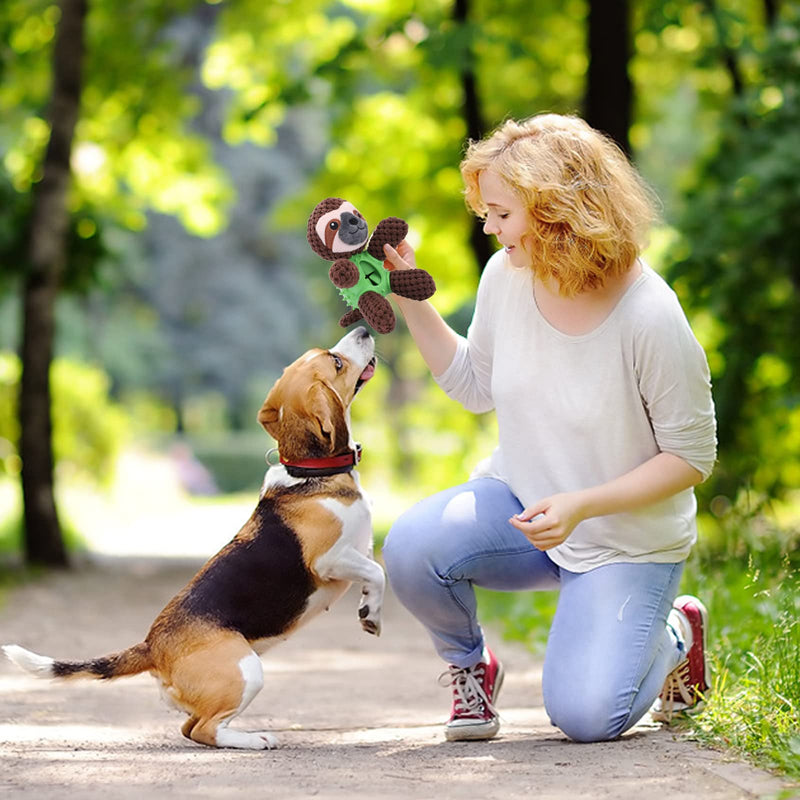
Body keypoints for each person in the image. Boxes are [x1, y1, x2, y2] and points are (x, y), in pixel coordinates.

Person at [380, 113, 717, 743]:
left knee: (588, 719)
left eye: (500, 212)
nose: (487, 226)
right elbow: (474, 385)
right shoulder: (506, 277)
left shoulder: (650, 314)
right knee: (411, 548)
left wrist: (584, 505)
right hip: (523, 505)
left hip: (623, 538)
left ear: (556, 209)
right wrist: (409, 296)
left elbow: (692, 457)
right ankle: (470, 669)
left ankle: (675, 633)